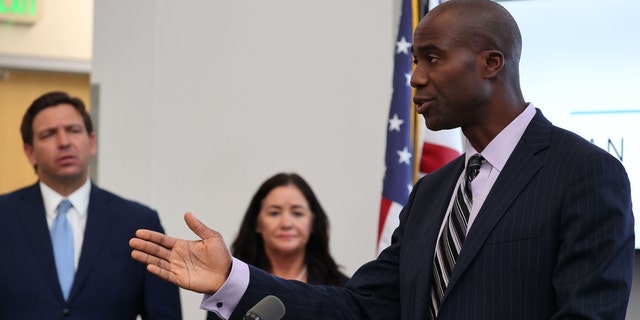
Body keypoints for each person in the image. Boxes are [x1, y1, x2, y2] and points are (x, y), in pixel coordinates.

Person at [129, 0, 635, 319]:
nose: (414, 77)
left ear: (490, 63)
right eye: (413, 60)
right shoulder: (433, 192)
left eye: (431, 58)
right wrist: (233, 279)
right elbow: (360, 305)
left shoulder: (584, 172)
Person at [0, 91, 182, 319]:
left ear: (91, 142)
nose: (64, 142)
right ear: (30, 152)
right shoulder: (4, 217)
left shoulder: (139, 222)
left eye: (74, 130)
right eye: (48, 134)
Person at [207, 173, 349, 319]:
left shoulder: (342, 289)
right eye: (274, 213)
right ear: (257, 223)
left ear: (313, 223)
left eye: (297, 213)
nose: (286, 223)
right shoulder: (231, 286)